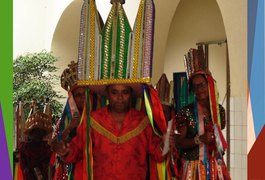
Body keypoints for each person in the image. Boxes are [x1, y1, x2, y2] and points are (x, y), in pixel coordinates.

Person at [52, 84, 165, 179]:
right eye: (114, 92)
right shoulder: (93, 120)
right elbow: (77, 151)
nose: (120, 97)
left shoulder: (143, 121)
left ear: (130, 94)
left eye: (125, 92)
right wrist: (65, 151)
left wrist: (166, 143)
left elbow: (158, 155)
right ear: (107, 94)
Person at [173, 47, 231, 179]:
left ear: (209, 84)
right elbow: (179, 143)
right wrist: (199, 139)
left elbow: (219, 141)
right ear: (192, 90)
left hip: (216, 166)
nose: (200, 89)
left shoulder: (219, 111)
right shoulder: (185, 112)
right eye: (195, 86)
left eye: (202, 85)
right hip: (193, 170)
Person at [50, 61, 86, 179]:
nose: (81, 97)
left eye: (84, 94)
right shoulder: (63, 121)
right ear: (72, 98)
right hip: (70, 169)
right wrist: (70, 127)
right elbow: (55, 145)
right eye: (78, 94)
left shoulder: (97, 116)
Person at [19, 100, 53, 180]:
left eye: (40, 132)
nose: (38, 134)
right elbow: (23, 166)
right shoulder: (24, 147)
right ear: (31, 133)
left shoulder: (46, 147)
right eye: (36, 131)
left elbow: (49, 166)